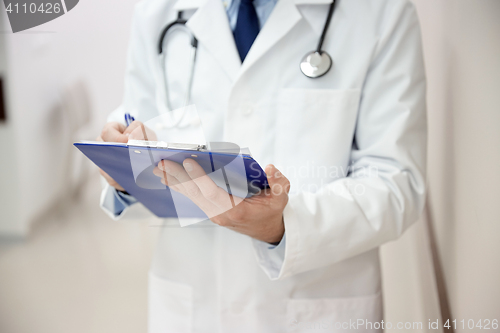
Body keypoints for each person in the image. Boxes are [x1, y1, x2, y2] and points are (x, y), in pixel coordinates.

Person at [98, 0, 427, 331]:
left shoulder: (381, 11)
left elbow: (396, 181)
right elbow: (140, 121)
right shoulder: (158, 10)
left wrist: (285, 227)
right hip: (192, 305)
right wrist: (125, 169)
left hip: (315, 309)